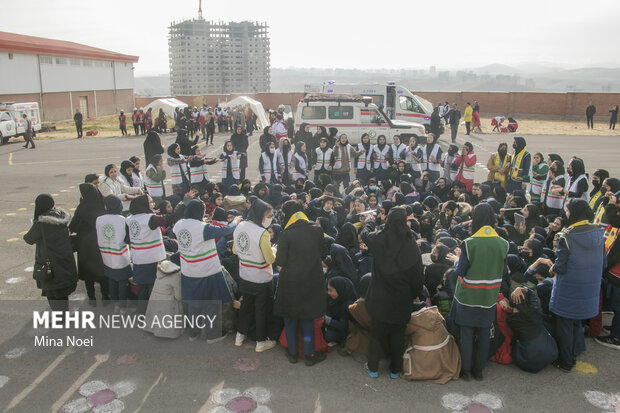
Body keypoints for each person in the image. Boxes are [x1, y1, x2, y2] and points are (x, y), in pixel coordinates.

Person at [361, 207, 423, 378]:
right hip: (401, 298)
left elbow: (365, 234)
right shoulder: (411, 244)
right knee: (398, 334)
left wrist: (370, 221)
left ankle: (373, 368)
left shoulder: (379, 239)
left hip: (379, 296)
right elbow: (418, 274)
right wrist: (417, 293)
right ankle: (395, 370)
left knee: (376, 333)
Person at [450, 203, 509, 381]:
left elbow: (460, 271)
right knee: (484, 333)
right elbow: (504, 272)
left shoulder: (469, 243)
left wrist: (456, 259)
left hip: (468, 295)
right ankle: (479, 370)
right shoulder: (503, 243)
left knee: (466, 334)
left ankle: (466, 370)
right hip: (489, 296)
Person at [548, 199, 604, 371]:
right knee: (576, 321)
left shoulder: (568, 236)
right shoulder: (598, 232)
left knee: (564, 323)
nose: (566, 214)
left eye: (568, 211)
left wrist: (551, 267)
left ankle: (566, 361)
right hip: (589, 287)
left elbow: (561, 266)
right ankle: (576, 350)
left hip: (569, 287)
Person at [174, 199, 241, 341]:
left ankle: (193, 333)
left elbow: (192, 229)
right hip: (207, 271)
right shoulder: (204, 228)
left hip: (188, 270)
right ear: (201, 212)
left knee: (193, 303)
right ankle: (212, 334)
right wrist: (235, 222)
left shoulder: (179, 225)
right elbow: (226, 230)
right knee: (212, 303)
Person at [274, 200, 327, 366]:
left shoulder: (286, 234)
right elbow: (323, 254)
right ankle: (309, 354)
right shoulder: (317, 230)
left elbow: (280, 261)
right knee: (307, 318)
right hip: (312, 280)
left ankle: (292, 353)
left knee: (290, 318)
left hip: (290, 281)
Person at [233, 199, 278, 352]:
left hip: (245, 275)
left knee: (246, 305)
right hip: (261, 278)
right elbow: (270, 259)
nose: (270, 218)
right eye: (268, 215)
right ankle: (260, 341)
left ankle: (240, 335)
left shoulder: (240, 226)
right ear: (261, 214)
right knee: (261, 309)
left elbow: (234, 250)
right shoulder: (262, 233)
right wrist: (274, 249)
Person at [23, 194, 78, 313]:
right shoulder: (62, 215)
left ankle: (60, 318)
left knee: (53, 292)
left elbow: (28, 238)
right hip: (64, 258)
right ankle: (64, 314)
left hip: (50, 262)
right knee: (63, 292)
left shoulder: (41, 222)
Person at [128, 195, 168, 315]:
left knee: (142, 287)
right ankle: (153, 314)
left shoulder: (130, 219)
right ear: (144, 205)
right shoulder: (150, 219)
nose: (153, 204)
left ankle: (142, 313)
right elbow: (169, 218)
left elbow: (126, 239)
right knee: (153, 288)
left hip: (138, 258)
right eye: (151, 202)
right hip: (152, 259)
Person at [70, 183, 108, 306]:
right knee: (102, 270)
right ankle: (105, 295)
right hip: (99, 243)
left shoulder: (82, 207)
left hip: (85, 244)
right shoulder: (101, 205)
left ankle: (91, 297)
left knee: (88, 273)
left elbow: (73, 226)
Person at [96, 195, 132, 313]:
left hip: (106, 254)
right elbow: (128, 239)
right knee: (122, 282)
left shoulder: (99, 219)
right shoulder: (122, 220)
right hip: (120, 255)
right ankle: (123, 307)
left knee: (111, 279)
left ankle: (115, 303)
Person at [595, 191, 620, 349]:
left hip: (617, 271)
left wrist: (611, 204)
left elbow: (613, 218)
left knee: (618, 305)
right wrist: (609, 201)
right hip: (615, 267)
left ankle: (616, 337)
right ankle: (617, 329)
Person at [324, 276, 358, 345]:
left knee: (329, 336)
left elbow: (343, 326)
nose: (328, 293)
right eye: (328, 290)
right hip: (334, 324)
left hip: (344, 330)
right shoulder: (334, 299)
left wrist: (326, 319)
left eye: (331, 290)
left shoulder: (348, 305)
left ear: (340, 290)